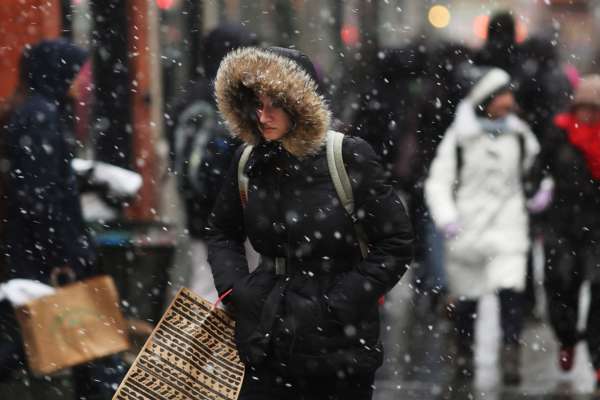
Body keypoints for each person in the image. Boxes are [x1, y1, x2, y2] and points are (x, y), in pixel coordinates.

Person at [207, 46, 413, 399]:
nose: (263, 115)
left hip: (339, 349)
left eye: (275, 104)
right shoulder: (247, 161)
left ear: (299, 105)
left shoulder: (347, 157)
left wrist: (337, 304)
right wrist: (237, 291)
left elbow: (395, 244)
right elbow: (222, 232)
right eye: (257, 103)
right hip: (264, 340)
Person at [2, 39, 125, 399]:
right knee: (82, 341)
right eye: (75, 71)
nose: (81, 81)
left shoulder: (37, 111)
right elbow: (41, 196)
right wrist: (69, 250)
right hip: (49, 256)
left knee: (66, 340)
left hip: (41, 252)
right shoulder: (40, 116)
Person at [425, 67, 540, 386]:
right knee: (467, 299)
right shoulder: (459, 138)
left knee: (510, 293)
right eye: (504, 96)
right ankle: (464, 355)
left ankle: (510, 355)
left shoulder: (519, 134)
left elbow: (535, 169)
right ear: (487, 100)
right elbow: (438, 182)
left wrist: (540, 192)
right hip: (468, 230)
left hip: (508, 227)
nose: (509, 102)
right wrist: (447, 218)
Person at [169, 24, 258, 302]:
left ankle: (200, 342)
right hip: (237, 209)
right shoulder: (233, 98)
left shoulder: (187, 97)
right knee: (241, 282)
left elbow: (177, 155)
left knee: (205, 281)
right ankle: (208, 344)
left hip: (199, 211)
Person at [532, 75, 600, 390]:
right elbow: (536, 171)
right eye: (583, 107)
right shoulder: (558, 132)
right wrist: (537, 190)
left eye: (594, 109)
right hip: (562, 225)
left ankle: (598, 359)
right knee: (561, 287)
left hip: (597, 226)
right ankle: (567, 338)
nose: (587, 114)